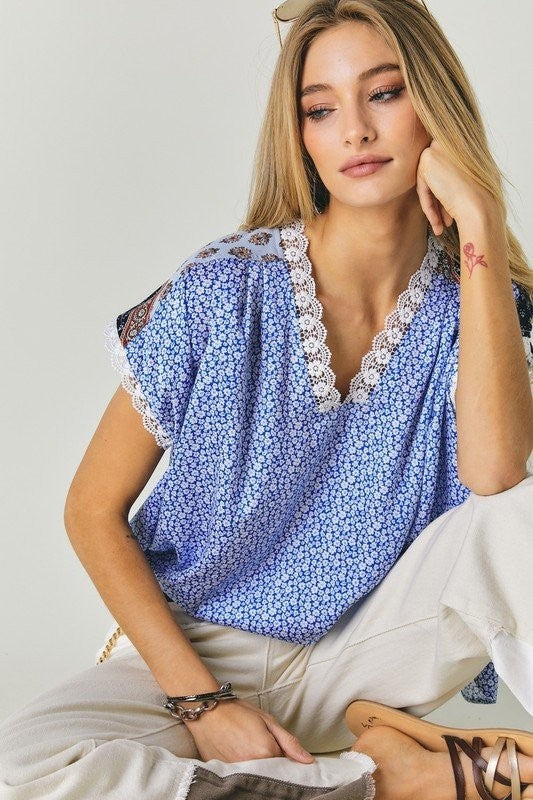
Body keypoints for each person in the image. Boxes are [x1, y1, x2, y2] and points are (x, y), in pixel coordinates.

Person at [1, 0, 533, 798]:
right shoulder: (222, 289)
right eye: (320, 109)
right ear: (300, 135)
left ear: (435, 105)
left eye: (383, 93)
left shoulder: (483, 307)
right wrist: (201, 701)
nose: (354, 130)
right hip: (196, 650)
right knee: (23, 771)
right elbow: (90, 510)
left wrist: (480, 223)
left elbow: (495, 482)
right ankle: (381, 782)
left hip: (374, 651)